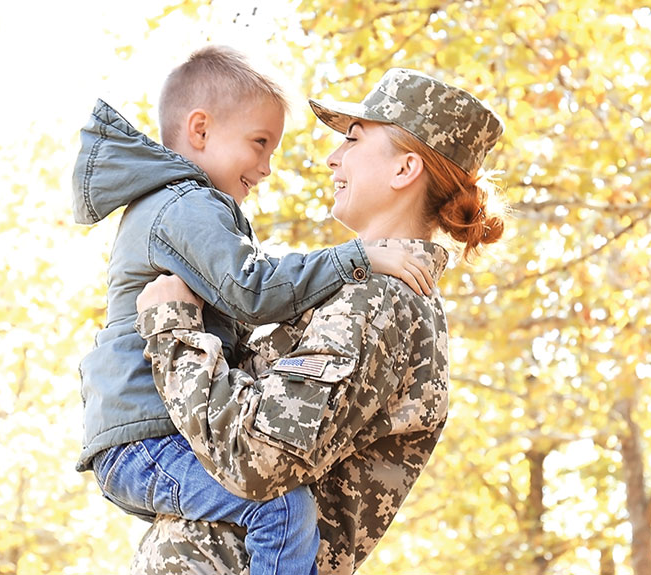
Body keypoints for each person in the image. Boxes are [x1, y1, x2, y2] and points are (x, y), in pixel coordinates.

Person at [70, 47, 433, 575]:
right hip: (145, 439)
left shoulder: (185, 204)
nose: (266, 168)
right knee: (280, 506)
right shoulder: (184, 205)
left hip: (145, 439)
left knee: (279, 506)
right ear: (200, 130)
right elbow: (254, 288)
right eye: (259, 144)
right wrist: (357, 257)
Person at [128, 67, 506, 575]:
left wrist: (171, 328)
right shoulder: (357, 287)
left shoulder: (379, 300)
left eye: (352, 140)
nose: (333, 158)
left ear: (404, 169)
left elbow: (255, 459)